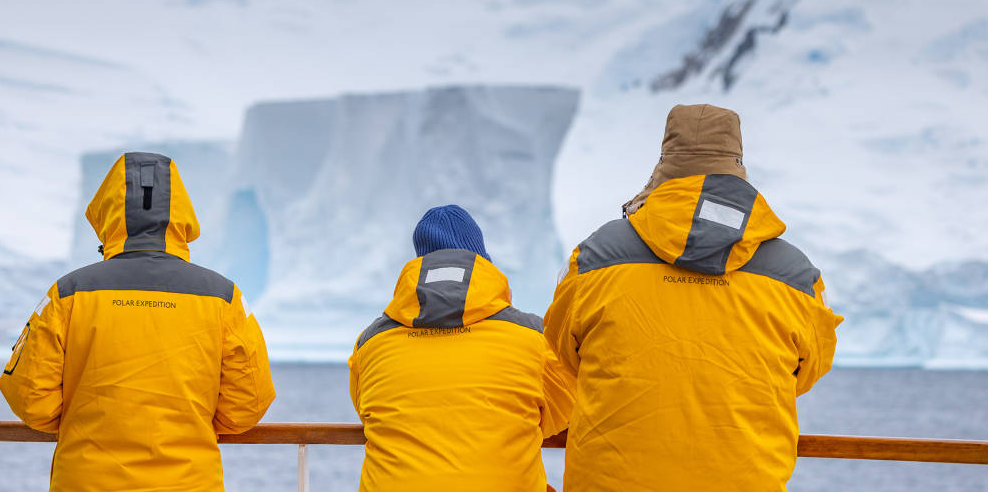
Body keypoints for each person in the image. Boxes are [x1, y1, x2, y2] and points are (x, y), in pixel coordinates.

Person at [544, 104, 844, 491]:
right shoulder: (795, 275)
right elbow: (805, 372)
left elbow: (563, 350)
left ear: (664, 165)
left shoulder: (596, 257)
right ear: (738, 166)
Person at [0, 152, 275, 492]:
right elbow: (248, 405)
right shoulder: (224, 297)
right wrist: (192, 423)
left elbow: (30, 399)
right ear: (181, 215)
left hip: (87, 482)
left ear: (108, 212)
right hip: (188, 482)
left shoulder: (68, 293)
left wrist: (85, 421)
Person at [348, 204, 574, 491]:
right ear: (482, 264)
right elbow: (562, 410)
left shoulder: (370, 343)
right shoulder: (533, 337)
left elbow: (365, 407)